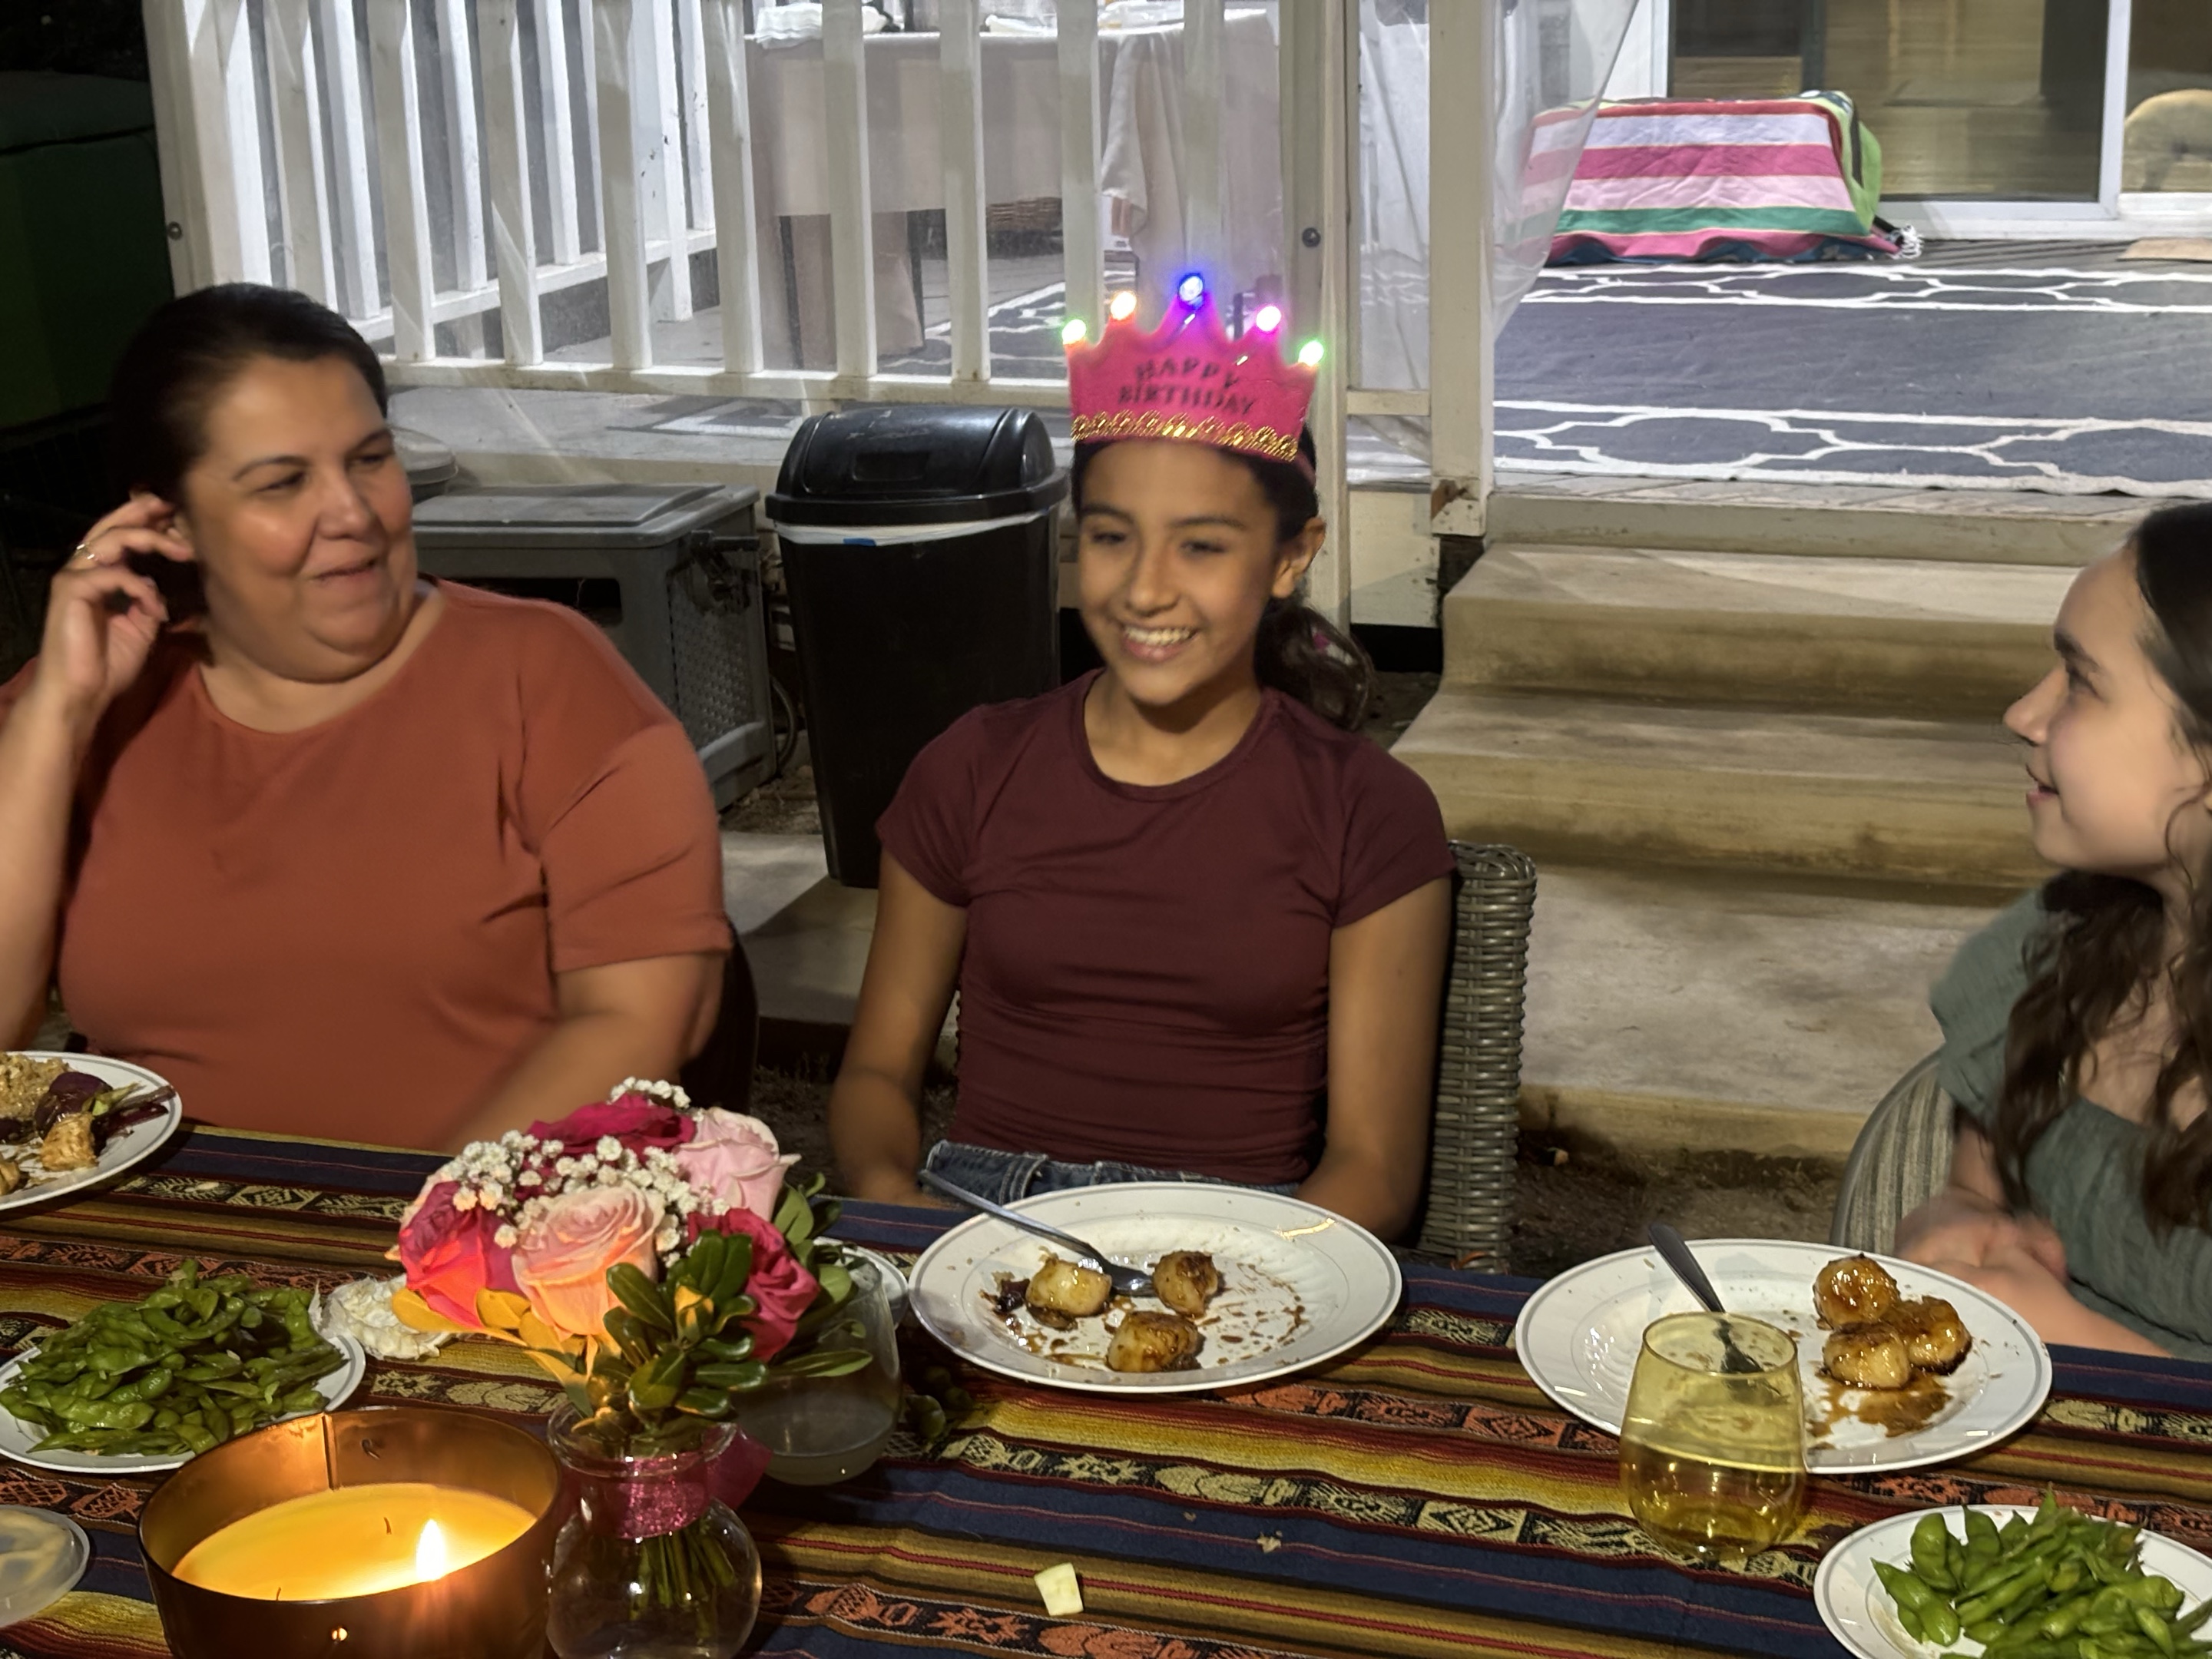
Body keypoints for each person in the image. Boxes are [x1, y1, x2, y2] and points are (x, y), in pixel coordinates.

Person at [0, 284, 731, 1149]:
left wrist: (415, 1219)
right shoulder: (77, 705)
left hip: (468, 1217)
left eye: (370, 459)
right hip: (150, 1216)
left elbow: (641, 1022)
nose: (351, 514)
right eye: (284, 483)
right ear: (169, 521)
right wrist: (53, 723)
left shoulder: (545, 677)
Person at [828, 285, 1453, 1239]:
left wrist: (1244, 1279)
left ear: (1291, 557)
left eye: (1201, 545)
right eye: (1112, 537)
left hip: (1243, 1240)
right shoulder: (974, 768)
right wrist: (891, 1195)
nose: (1146, 590)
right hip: (982, 1213)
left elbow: (1373, 1166)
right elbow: (876, 1072)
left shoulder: (1366, 811)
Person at [1895, 503, 2212, 1358]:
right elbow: (1976, 1193)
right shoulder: (2052, 948)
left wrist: (2072, 1344)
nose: (2024, 714)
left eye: (2079, 681)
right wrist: (1959, 1225)